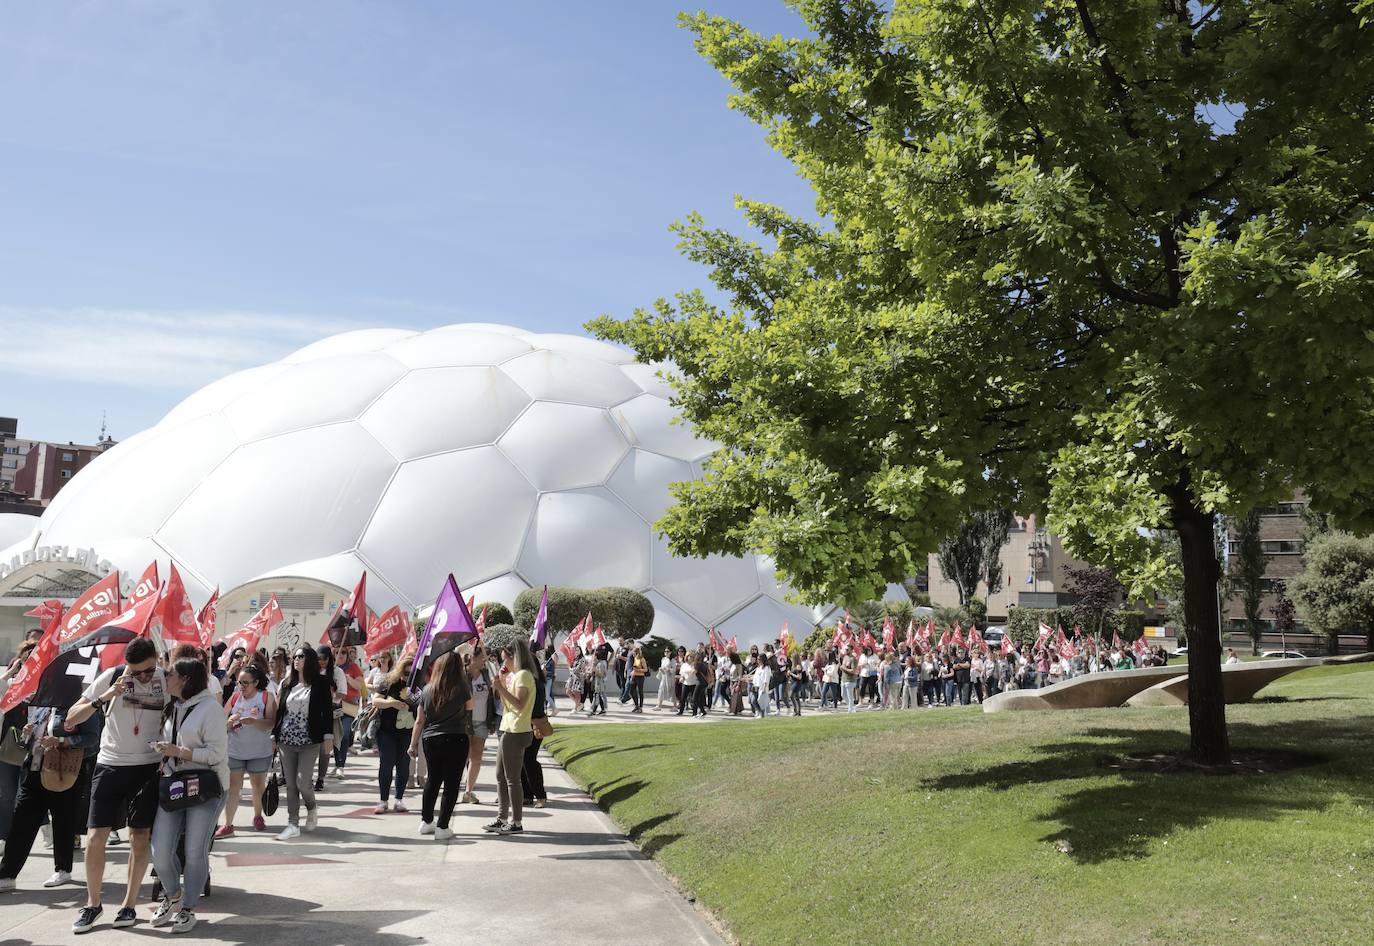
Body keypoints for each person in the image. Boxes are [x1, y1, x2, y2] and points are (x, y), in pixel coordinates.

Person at [62, 636, 167, 934]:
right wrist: (105, 696)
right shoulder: (113, 676)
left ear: (156, 660)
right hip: (110, 764)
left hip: (147, 765)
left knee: (139, 837)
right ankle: (93, 904)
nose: (143, 677)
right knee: (95, 837)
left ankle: (129, 904)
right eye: (137, 672)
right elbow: (71, 717)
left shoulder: (164, 679)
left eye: (148, 670)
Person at [149, 657, 228, 934]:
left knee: (195, 849)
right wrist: (165, 752)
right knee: (159, 851)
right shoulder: (174, 706)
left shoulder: (211, 710)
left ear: (184, 679)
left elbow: (217, 754)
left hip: (206, 786)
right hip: (174, 784)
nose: (165, 677)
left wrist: (179, 752)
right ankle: (173, 897)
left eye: (169, 673)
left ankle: (188, 908)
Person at [0, 681, 102, 892]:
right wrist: (28, 734)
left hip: (64, 771)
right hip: (34, 768)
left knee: (63, 818)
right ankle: (7, 873)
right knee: (22, 819)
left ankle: (63, 869)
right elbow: (33, 738)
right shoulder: (42, 707)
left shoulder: (80, 708)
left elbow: (92, 740)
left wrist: (62, 741)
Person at [271, 646, 334, 841]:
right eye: (295, 656)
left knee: (303, 782)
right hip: (286, 740)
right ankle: (293, 824)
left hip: (309, 740)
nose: (296, 659)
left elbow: (327, 712)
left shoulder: (321, 683)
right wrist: (274, 735)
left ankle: (312, 807)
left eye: (301, 656)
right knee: (290, 784)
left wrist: (328, 737)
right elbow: (280, 712)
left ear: (311, 660)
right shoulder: (287, 683)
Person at [410, 651, 472, 840]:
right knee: (451, 784)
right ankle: (442, 826)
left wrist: (413, 744)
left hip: (431, 738)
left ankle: (426, 821)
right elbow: (470, 707)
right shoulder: (462, 687)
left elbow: (420, 720)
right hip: (456, 737)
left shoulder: (427, 689)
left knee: (433, 780)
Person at [216, 664, 276, 837]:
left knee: (258, 786)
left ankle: (258, 816)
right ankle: (228, 824)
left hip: (259, 750)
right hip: (235, 749)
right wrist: (229, 722)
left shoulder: (266, 697)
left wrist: (254, 722)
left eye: (245, 683)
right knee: (233, 787)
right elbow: (221, 721)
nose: (241, 686)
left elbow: (271, 722)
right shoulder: (235, 697)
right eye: (239, 682)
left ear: (256, 682)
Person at [483, 640, 535, 836]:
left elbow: (520, 704)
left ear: (515, 657)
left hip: (517, 730)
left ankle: (516, 822)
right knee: (500, 776)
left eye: (505, 658)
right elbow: (506, 704)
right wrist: (501, 685)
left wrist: (502, 687)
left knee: (512, 779)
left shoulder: (523, 675)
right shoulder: (514, 676)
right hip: (508, 727)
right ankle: (502, 818)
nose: (503, 663)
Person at [369, 658, 416, 813]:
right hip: (387, 731)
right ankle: (383, 800)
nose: (407, 676)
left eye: (411, 673)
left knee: (403, 766)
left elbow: (422, 704)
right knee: (386, 765)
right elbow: (375, 701)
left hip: (407, 732)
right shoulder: (387, 681)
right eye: (405, 672)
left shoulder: (417, 686)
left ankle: (399, 800)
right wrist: (392, 703)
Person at [464, 644, 497, 804]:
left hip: (482, 721)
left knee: (476, 758)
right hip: (464, 722)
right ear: (472, 658)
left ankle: (469, 792)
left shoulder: (486, 674)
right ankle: (455, 789)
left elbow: (491, 698)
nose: (484, 659)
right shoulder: (462, 675)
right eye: (481, 657)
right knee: (461, 757)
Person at [520, 651, 549, 809]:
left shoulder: (533, 681)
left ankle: (540, 795)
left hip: (533, 724)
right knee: (525, 760)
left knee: (529, 760)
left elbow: (531, 706)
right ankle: (527, 794)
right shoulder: (534, 680)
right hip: (531, 723)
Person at [332, 646, 366, 777]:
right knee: (335, 736)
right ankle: (337, 764)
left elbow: (359, 686)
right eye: (337, 652)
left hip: (349, 706)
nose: (340, 655)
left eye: (344, 652)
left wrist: (346, 678)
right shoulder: (331, 669)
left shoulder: (354, 668)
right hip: (335, 706)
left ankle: (341, 765)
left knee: (345, 734)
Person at [676, 653, 698, 717]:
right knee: (683, 698)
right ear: (687, 657)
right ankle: (681, 711)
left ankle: (694, 712)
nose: (690, 658)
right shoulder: (684, 665)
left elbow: (696, 671)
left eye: (692, 656)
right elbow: (682, 674)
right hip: (686, 683)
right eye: (689, 656)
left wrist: (693, 671)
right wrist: (681, 678)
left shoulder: (695, 665)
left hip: (693, 683)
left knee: (694, 699)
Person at [629, 645, 647, 713]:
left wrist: (637, 670)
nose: (632, 653)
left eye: (633, 652)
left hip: (640, 677)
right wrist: (633, 672)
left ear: (636, 652)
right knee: (631, 690)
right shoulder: (635, 659)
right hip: (634, 677)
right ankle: (636, 705)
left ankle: (641, 707)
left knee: (640, 692)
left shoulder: (642, 659)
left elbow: (645, 669)